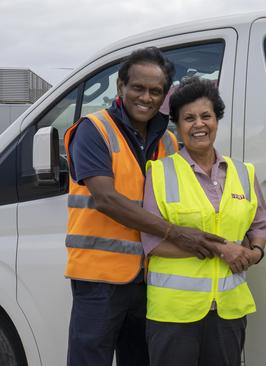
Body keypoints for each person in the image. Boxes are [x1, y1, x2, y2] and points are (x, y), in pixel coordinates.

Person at [64, 47, 227, 366]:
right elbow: (107, 199)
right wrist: (176, 233)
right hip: (100, 278)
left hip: (149, 276)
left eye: (156, 91)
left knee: (139, 359)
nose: (146, 97)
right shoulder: (93, 130)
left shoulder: (167, 141)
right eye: (138, 87)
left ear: (165, 94)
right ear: (120, 86)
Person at [142, 77, 266, 366]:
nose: (198, 124)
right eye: (188, 118)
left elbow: (260, 223)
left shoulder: (243, 172)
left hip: (228, 310)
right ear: (176, 125)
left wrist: (256, 252)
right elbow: (152, 242)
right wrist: (221, 250)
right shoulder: (160, 173)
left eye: (206, 116)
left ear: (217, 120)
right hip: (174, 313)